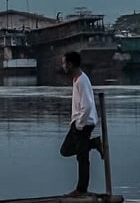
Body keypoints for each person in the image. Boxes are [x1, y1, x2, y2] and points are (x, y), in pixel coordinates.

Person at [59, 51, 103, 196]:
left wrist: (79, 124)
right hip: (79, 122)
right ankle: (94, 143)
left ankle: (81, 190)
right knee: (65, 150)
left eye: (64, 63)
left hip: (83, 124)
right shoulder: (77, 79)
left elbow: (88, 105)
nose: (63, 66)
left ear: (70, 64)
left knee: (82, 158)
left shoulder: (82, 81)